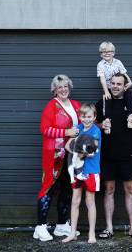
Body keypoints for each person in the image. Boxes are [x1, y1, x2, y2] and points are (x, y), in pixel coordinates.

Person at [96, 73, 132, 239]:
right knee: (109, 190)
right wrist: (100, 125)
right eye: (113, 83)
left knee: (130, 190)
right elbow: (91, 123)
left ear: (125, 85)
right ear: (109, 84)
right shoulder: (102, 103)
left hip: (128, 154)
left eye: (119, 83)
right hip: (107, 154)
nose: (115, 86)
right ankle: (109, 228)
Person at [33, 74, 81, 242]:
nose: (63, 89)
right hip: (54, 154)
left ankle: (62, 225)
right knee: (48, 188)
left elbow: (85, 123)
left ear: (69, 87)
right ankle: (40, 227)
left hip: (72, 154)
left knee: (67, 189)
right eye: (59, 87)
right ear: (54, 90)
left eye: (66, 86)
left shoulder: (76, 105)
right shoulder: (51, 106)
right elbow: (45, 130)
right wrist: (66, 132)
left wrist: (100, 125)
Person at [62, 103, 101, 244]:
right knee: (75, 201)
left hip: (91, 171)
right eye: (83, 116)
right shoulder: (77, 128)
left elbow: (91, 153)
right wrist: (77, 153)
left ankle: (91, 234)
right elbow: (67, 146)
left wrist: (78, 151)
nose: (86, 119)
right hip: (77, 171)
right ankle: (72, 233)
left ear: (94, 117)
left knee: (90, 201)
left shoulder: (96, 131)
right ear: (80, 116)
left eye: (89, 116)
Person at [97, 41, 132, 110]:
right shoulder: (100, 65)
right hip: (109, 87)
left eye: (109, 51)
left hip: (120, 87)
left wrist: (130, 82)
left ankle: (130, 113)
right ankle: (107, 118)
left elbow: (123, 73)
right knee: (107, 99)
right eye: (104, 52)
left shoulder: (118, 62)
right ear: (101, 54)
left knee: (129, 95)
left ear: (113, 53)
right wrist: (106, 91)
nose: (106, 53)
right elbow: (102, 79)